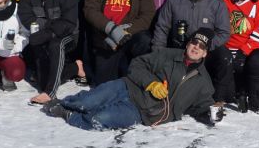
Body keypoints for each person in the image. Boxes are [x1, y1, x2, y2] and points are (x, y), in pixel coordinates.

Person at [40, 28, 216, 130]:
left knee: (100, 119)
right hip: (127, 87)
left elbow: (202, 106)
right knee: (88, 101)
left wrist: (212, 114)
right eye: (194, 42)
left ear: (206, 53)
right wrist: (151, 83)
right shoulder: (168, 55)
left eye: (201, 46)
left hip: (143, 113)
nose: (196, 47)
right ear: (188, 43)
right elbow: (137, 64)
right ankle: (63, 104)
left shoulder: (203, 81)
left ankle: (69, 115)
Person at [151, 0, 232, 105]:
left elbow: (224, 32)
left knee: (224, 56)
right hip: (179, 50)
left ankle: (218, 99)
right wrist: (158, 55)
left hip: (204, 52)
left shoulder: (217, 3)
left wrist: (203, 47)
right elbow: (162, 28)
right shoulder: (174, 0)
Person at [83, 0, 156, 84]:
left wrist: (125, 30)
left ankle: (137, 73)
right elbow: (89, 9)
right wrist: (110, 28)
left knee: (144, 40)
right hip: (107, 38)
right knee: (103, 86)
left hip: (129, 37)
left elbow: (148, 14)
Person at [19, 0, 83, 104]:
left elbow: (69, 20)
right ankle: (75, 68)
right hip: (43, 36)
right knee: (42, 81)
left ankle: (50, 93)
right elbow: (26, 17)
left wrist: (49, 31)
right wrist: (43, 31)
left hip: (68, 34)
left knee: (56, 45)